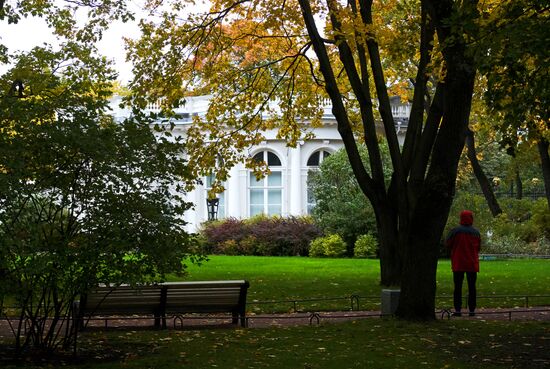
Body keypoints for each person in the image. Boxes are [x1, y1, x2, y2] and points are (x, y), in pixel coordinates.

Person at [446, 210, 481, 317]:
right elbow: (478, 248)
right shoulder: (476, 232)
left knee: (457, 287)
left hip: (458, 262)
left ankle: (458, 310)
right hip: (471, 263)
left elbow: (448, 244)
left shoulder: (455, 231)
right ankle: (472, 310)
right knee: (472, 287)